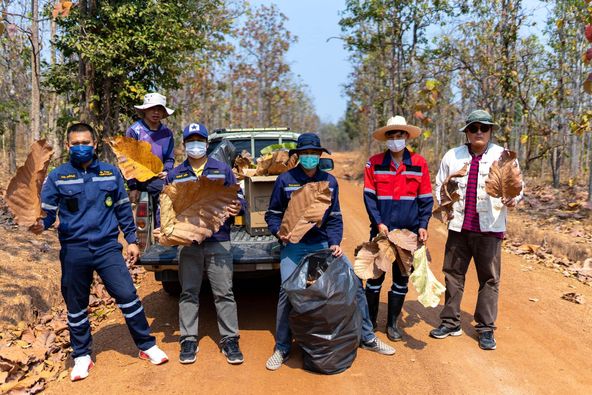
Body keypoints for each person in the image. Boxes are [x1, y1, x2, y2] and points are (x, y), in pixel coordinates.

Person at [30, 123, 168, 382]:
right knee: (76, 304)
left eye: (86, 142)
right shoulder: (59, 176)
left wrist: (131, 240)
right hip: (74, 249)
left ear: (94, 145)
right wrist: (40, 224)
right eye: (76, 143)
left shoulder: (110, 173)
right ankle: (82, 356)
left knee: (127, 295)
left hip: (107, 248)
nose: (81, 147)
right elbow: (47, 214)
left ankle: (146, 345)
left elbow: (123, 209)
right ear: (68, 146)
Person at [264, 133, 395, 371]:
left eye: (314, 154)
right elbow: (272, 214)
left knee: (353, 284)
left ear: (320, 156)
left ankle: (368, 337)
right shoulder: (285, 180)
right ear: (298, 156)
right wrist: (278, 232)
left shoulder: (329, 182)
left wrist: (334, 242)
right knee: (287, 291)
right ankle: (282, 347)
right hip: (293, 247)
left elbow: (335, 217)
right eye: (305, 154)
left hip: (321, 245)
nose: (310, 158)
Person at [429, 110, 523, 350]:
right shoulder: (453, 156)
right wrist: (449, 185)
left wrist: (513, 199)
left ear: (490, 131)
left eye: (484, 128)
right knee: (453, 274)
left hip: (489, 229)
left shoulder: (503, 156)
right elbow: (439, 186)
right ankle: (450, 322)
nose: (479, 132)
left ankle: (485, 328)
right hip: (459, 227)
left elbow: (517, 187)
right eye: (474, 128)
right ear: (467, 132)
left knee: (489, 279)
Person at [160, 122, 245, 365]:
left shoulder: (222, 170)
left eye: (199, 140)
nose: (195, 145)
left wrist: (239, 207)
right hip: (188, 243)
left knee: (224, 292)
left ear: (207, 144)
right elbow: (166, 208)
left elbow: (238, 199)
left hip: (219, 240)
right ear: (184, 145)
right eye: (190, 141)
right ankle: (188, 339)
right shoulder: (176, 174)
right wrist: (169, 232)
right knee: (188, 291)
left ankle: (230, 339)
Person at [363, 115, 434, 342]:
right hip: (381, 233)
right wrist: (378, 223)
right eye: (391, 135)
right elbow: (369, 197)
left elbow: (425, 199)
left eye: (400, 134)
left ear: (406, 136)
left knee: (401, 279)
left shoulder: (419, 163)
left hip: (408, 233)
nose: (396, 139)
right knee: (375, 277)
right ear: (386, 139)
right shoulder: (373, 163)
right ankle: (370, 321)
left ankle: (392, 324)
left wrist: (423, 226)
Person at [126, 93, 176, 226]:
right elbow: (127, 161)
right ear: (145, 110)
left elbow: (170, 158)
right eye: (152, 108)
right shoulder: (134, 131)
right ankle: (163, 232)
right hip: (141, 179)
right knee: (166, 192)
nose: (156, 112)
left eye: (160, 109)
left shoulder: (167, 133)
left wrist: (167, 171)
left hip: (162, 176)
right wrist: (133, 186)